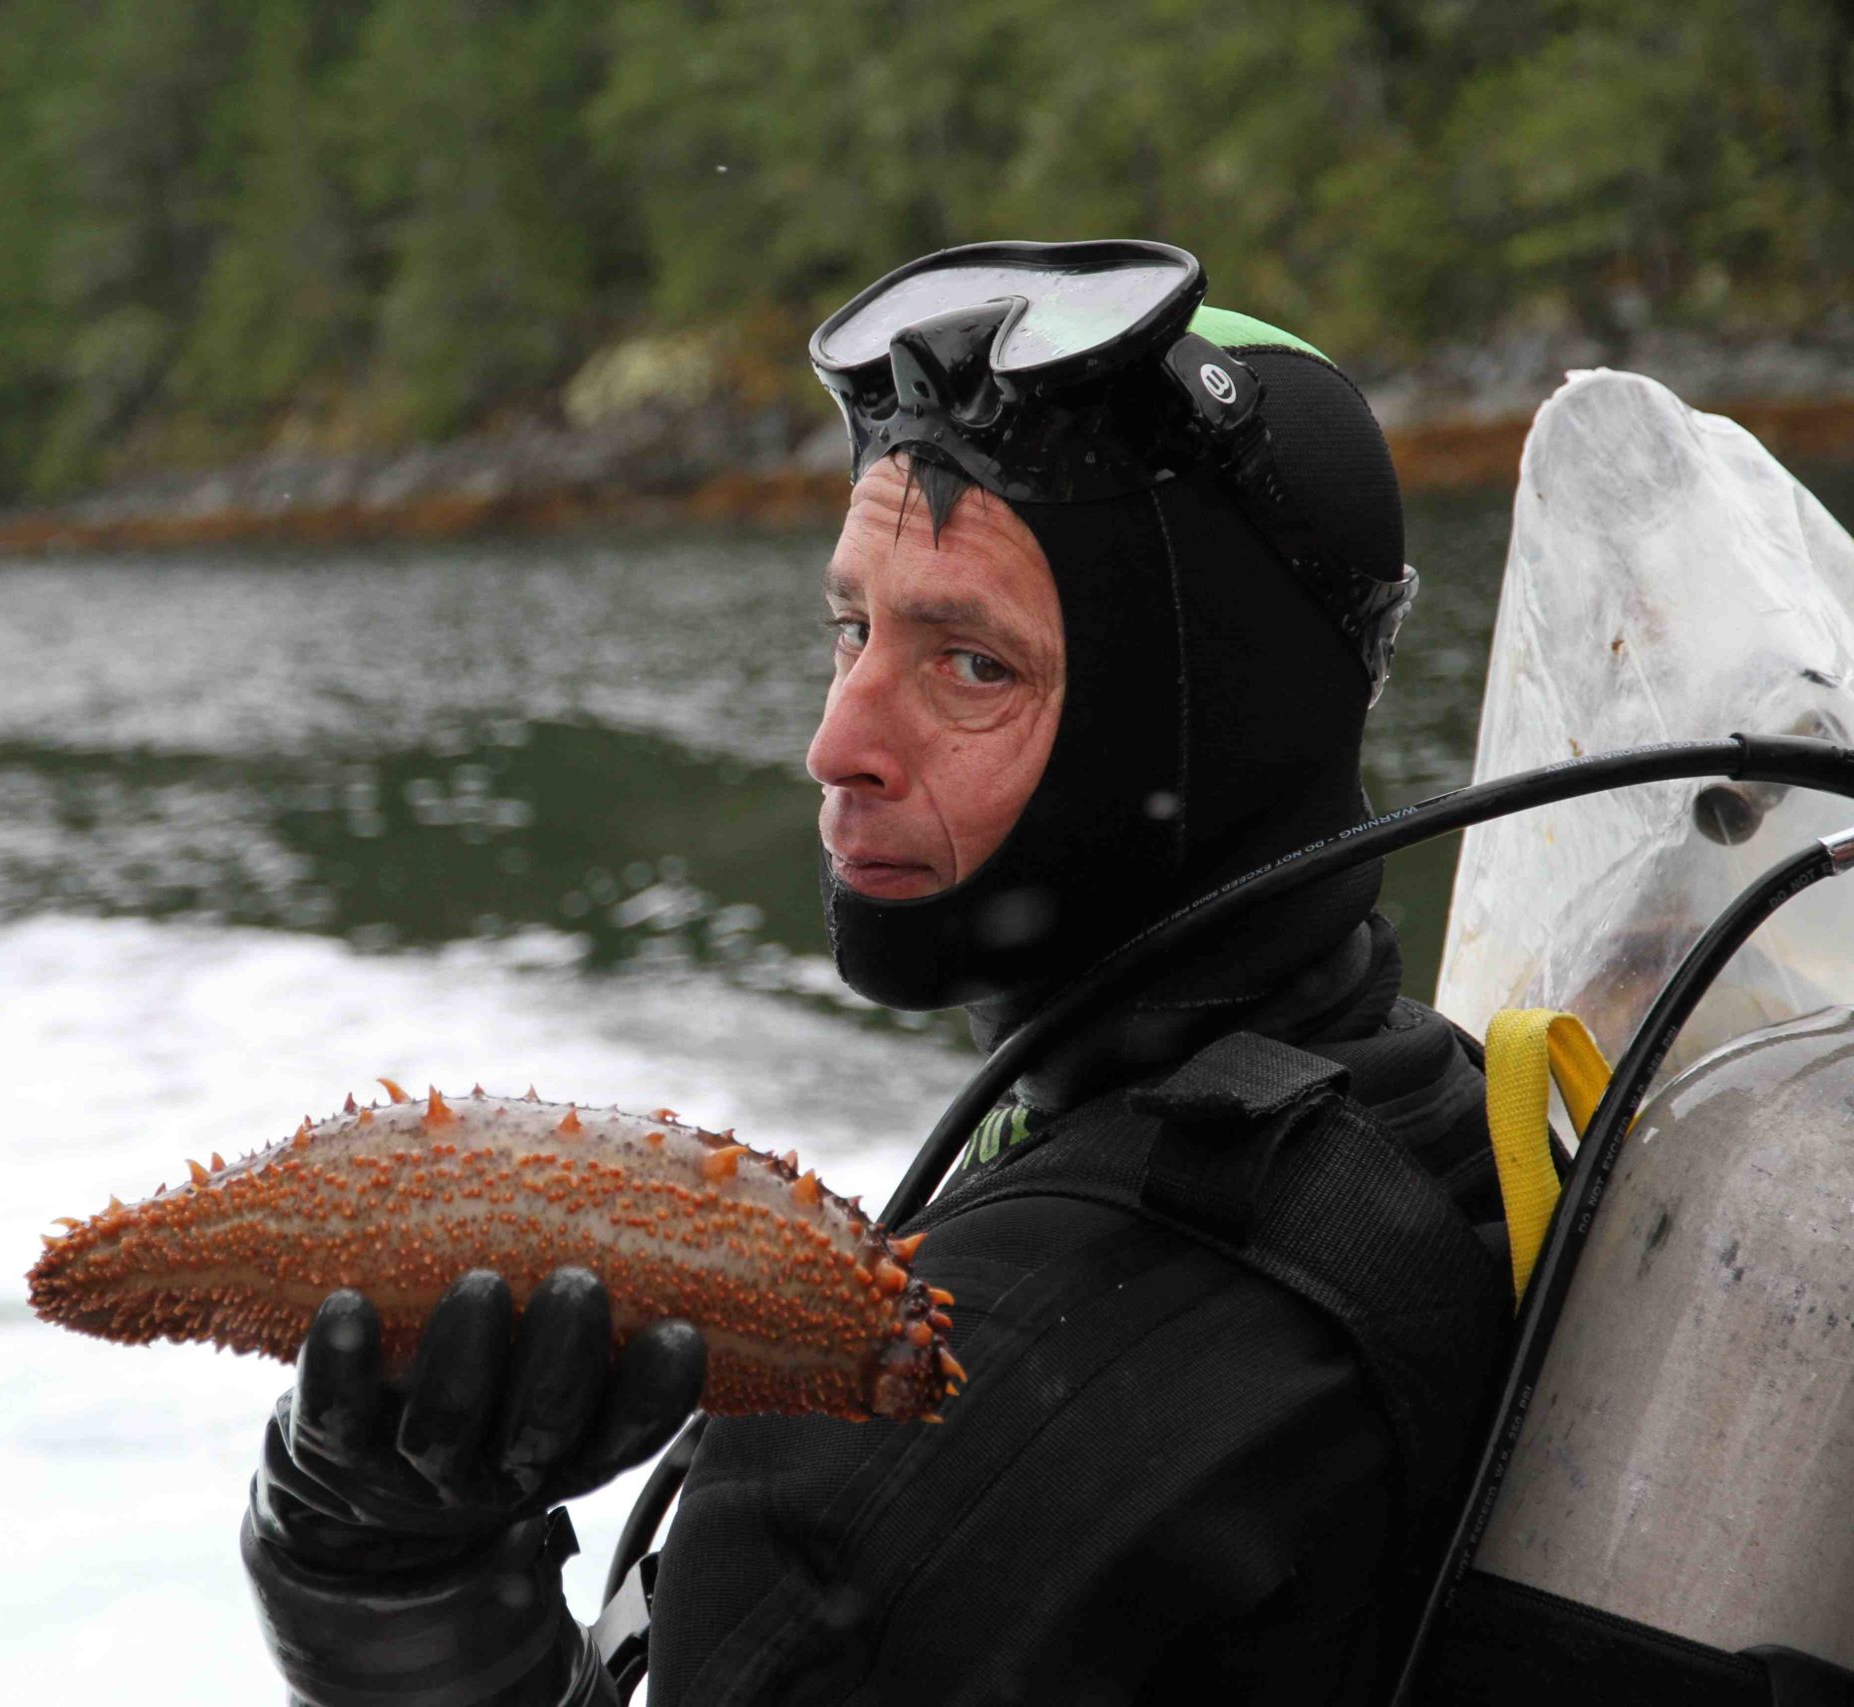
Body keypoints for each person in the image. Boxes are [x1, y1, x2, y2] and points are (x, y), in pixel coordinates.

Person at [237, 242, 1517, 1706]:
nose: (836, 744)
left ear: (1207, 731)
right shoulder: (1408, 1117)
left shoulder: (915, 1454)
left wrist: (370, 1585)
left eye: (971, 662)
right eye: (852, 630)